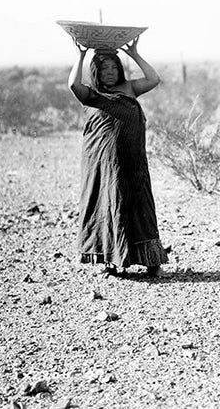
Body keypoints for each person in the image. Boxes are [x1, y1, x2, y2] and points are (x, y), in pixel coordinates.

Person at [68, 36, 169, 277]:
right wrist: (80, 55)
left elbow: (154, 79)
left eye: (114, 67)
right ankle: (111, 261)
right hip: (105, 165)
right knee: (108, 203)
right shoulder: (91, 95)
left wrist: (134, 54)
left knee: (139, 203)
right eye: (104, 69)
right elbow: (73, 84)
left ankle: (151, 261)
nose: (111, 72)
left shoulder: (130, 88)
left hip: (133, 161)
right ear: (96, 72)